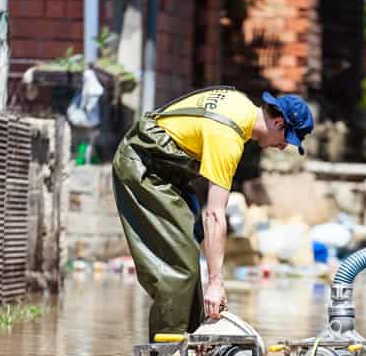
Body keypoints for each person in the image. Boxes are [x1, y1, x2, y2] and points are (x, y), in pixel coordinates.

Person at [112, 86, 314, 340]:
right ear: (278, 121)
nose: (283, 147)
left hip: (164, 171)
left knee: (190, 249)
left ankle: (196, 344)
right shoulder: (228, 137)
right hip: (142, 168)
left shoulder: (239, 103)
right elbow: (215, 214)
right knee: (180, 268)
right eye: (288, 139)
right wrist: (216, 283)